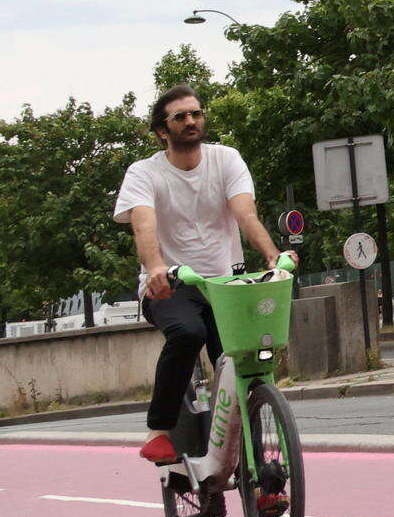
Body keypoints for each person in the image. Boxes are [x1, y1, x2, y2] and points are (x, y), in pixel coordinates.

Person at [115, 86, 279, 469]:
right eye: (180, 116)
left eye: (196, 114)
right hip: (172, 285)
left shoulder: (226, 159)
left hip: (226, 285)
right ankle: (159, 431)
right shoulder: (144, 172)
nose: (191, 121)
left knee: (244, 360)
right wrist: (156, 268)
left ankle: (260, 466)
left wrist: (273, 255)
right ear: (162, 130)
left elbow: (246, 215)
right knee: (189, 334)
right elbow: (144, 227)